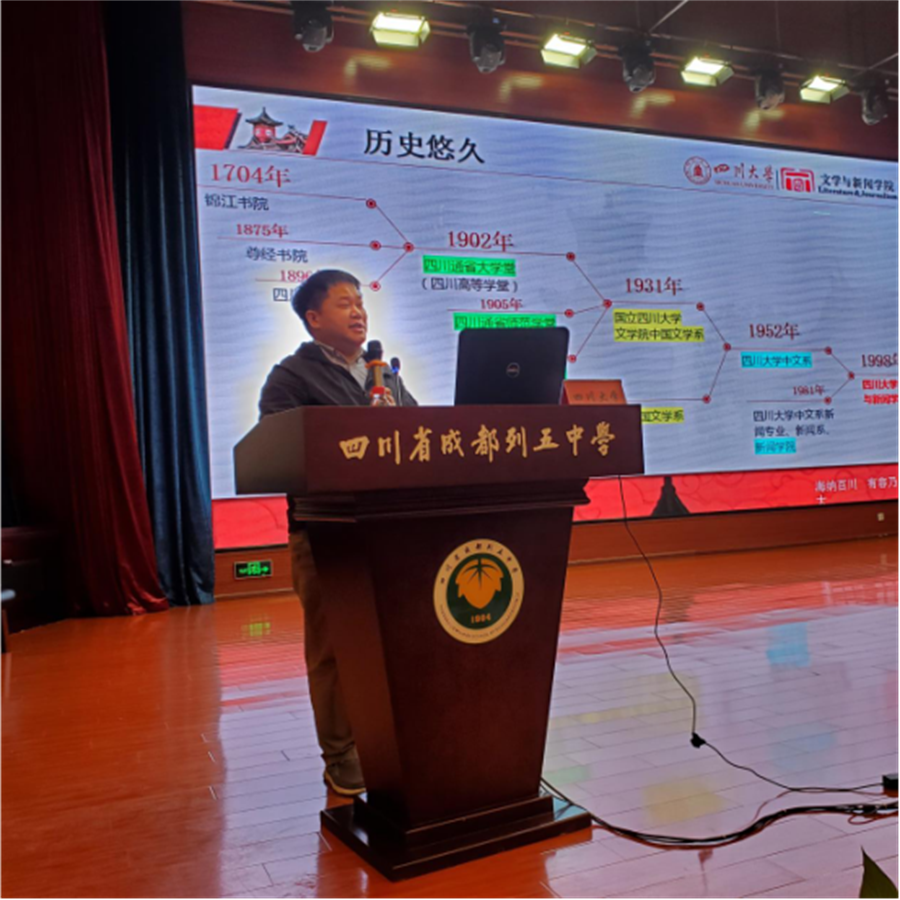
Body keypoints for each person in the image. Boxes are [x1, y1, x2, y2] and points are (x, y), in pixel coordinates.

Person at [258, 270, 417, 796]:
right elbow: (280, 451)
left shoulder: (382, 374)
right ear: (313, 318)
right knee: (333, 650)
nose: (358, 312)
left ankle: (390, 738)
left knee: (392, 640)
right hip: (325, 533)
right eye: (344, 303)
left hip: (389, 528)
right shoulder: (290, 377)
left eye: (361, 303)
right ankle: (341, 753)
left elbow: (423, 435)